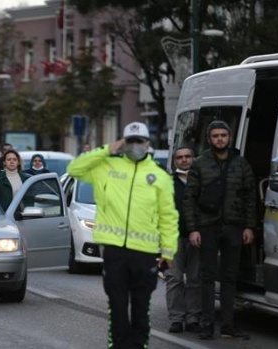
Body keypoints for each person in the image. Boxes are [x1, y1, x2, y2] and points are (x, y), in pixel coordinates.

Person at [66, 121, 178, 349]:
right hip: (114, 251)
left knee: (140, 310)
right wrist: (108, 148)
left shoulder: (160, 177)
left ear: (148, 144)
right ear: (123, 143)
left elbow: (168, 216)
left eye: (139, 141)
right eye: (130, 141)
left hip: (145, 254)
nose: (135, 145)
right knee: (117, 308)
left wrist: (168, 251)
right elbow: (74, 169)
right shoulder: (107, 167)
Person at [183, 120, 256, 340]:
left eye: (223, 135)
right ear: (209, 139)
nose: (220, 139)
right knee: (207, 276)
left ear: (229, 137)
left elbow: (250, 196)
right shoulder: (199, 163)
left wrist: (249, 226)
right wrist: (193, 229)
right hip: (207, 227)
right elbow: (189, 199)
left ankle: (227, 324)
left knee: (230, 277)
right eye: (215, 136)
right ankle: (207, 324)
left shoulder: (241, 163)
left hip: (234, 227)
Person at [165, 147, 201, 334]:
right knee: (175, 279)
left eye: (188, 156)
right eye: (180, 157)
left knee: (195, 279)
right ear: (175, 161)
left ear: (193, 159)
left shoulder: (200, 181)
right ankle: (177, 319)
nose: (184, 160)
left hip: (197, 238)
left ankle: (193, 318)